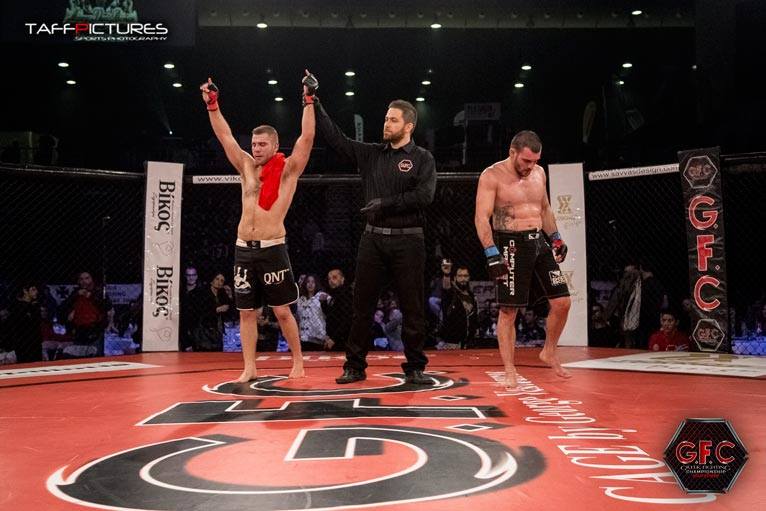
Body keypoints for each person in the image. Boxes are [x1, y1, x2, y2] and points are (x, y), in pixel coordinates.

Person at [200, 70, 317, 382]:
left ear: (275, 145)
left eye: (263, 144)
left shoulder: (289, 169)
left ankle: (298, 362)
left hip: (273, 247)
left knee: (282, 311)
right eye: (253, 144)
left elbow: (307, 139)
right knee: (246, 312)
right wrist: (213, 105)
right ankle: (249, 367)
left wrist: (308, 101)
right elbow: (225, 136)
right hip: (244, 249)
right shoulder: (246, 167)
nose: (256, 149)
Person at [315, 92, 436, 384]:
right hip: (373, 239)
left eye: (393, 120)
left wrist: (385, 204)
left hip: (409, 240)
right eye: (386, 119)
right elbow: (338, 140)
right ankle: (354, 365)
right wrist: (315, 103)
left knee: (412, 307)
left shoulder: (422, 158)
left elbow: (424, 196)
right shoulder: (372, 154)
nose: (386, 124)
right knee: (362, 306)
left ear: (408, 126)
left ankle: (415, 366)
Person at [474, 130, 572, 389]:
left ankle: (549, 351)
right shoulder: (492, 175)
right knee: (509, 310)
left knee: (562, 302)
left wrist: (556, 238)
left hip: (538, 240)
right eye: (526, 161)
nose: (531, 166)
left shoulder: (539, 173)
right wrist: (491, 252)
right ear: (512, 152)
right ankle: (509, 369)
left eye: (535, 161)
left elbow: (545, 209)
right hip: (510, 243)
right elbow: (481, 217)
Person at [438, 261, 478, 349]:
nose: (463, 279)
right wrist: (446, 274)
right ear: (455, 278)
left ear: (469, 277)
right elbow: (446, 288)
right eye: (460, 276)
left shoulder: (471, 295)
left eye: (465, 276)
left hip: (468, 343)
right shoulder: (451, 293)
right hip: (452, 343)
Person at [322, 268, 353, 352]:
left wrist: (334, 339)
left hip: (343, 340)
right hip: (335, 339)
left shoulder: (345, 295)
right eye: (329, 279)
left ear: (342, 279)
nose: (331, 281)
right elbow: (331, 316)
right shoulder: (335, 295)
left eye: (334, 277)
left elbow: (347, 320)